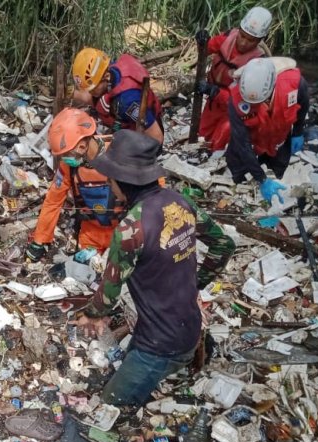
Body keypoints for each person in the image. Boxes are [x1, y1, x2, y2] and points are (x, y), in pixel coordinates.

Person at [73, 130, 235, 407]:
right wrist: (196, 283)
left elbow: (110, 292)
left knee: (108, 406)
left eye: (110, 178)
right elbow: (224, 244)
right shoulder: (179, 201)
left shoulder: (131, 229)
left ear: (120, 180)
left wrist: (91, 314)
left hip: (162, 344)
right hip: (185, 325)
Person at [26, 108, 124, 260]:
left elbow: (153, 189)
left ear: (82, 146)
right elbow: (53, 201)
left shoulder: (121, 150)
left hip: (124, 234)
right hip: (91, 237)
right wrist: (40, 239)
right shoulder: (70, 167)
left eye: (66, 154)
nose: (64, 159)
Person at [226, 57, 309, 204]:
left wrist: (298, 132)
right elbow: (242, 144)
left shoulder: (294, 83)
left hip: (279, 136)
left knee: (278, 172)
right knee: (237, 174)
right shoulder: (235, 99)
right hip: (253, 138)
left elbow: (303, 104)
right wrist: (262, 179)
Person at [198, 6, 272, 151]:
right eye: (242, 36)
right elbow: (205, 50)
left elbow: (245, 102)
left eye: (251, 40)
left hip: (235, 110)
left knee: (218, 143)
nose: (244, 43)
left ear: (260, 40)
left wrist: (216, 92)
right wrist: (202, 41)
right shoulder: (228, 38)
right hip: (214, 103)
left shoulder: (258, 64)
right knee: (202, 136)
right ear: (239, 30)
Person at [71, 48, 164, 143]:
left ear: (106, 76)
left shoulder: (127, 101)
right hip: (123, 119)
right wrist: (69, 92)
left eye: (92, 89)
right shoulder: (112, 70)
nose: (90, 93)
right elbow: (90, 98)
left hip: (144, 134)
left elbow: (157, 137)